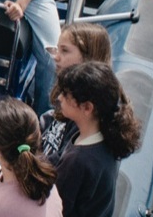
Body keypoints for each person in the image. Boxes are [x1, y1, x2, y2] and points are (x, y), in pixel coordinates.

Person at [53, 61, 141, 217]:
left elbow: (55, 212)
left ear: (87, 108)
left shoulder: (79, 162)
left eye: (66, 95)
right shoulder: (98, 135)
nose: (59, 98)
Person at [41, 21, 112, 163]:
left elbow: (58, 164)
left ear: (88, 58)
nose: (56, 57)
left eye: (65, 51)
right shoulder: (62, 105)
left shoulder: (83, 116)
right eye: (57, 49)